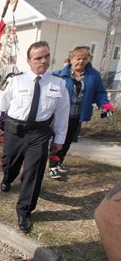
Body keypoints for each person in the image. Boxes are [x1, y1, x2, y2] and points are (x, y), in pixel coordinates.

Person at [0, 41, 70, 233]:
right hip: (14, 130)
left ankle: (24, 210)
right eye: (38, 58)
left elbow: (62, 114)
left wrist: (59, 139)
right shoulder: (15, 81)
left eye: (46, 57)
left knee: (34, 171)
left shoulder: (58, 84)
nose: (43, 61)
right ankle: (8, 178)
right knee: (9, 162)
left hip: (40, 133)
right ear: (28, 61)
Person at [48, 46, 114, 179]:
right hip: (60, 115)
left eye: (84, 59)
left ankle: (59, 161)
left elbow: (100, 93)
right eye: (78, 59)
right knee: (57, 140)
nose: (81, 61)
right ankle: (52, 166)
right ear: (71, 59)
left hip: (77, 116)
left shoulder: (93, 75)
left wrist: (106, 108)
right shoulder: (59, 74)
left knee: (67, 142)